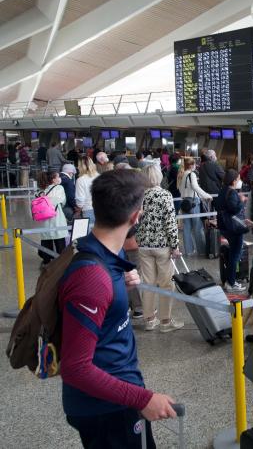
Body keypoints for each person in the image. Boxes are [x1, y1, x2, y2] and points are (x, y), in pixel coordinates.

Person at [59, 169, 178, 448]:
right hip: (106, 407)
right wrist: (143, 399)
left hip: (116, 393)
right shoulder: (92, 276)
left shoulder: (103, 255)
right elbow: (75, 368)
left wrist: (119, 289)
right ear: (135, 217)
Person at [136, 164, 184, 333]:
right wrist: (175, 246)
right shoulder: (165, 195)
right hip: (162, 246)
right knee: (166, 284)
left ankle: (149, 320)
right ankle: (165, 321)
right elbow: (170, 223)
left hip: (143, 245)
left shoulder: (139, 196)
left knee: (147, 283)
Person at [216, 169, 248, 292]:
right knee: (235, 255)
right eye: (238, 179)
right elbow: (234, 209)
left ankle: (229, 280)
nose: (239, 181)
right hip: (233, 228)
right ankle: (231, 282)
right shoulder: (232, 193)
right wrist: (242, 201)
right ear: (234, 180)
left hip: (224, 226)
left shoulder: (222, 190)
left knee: (232, 254)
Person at [177, 157, 211, 256]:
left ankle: (189, 251)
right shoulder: (192, 174)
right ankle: (201, 250)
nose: (195, 166)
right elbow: (196, 187)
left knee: (186, 227)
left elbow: (180, 190)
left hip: (184, 202)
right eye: (195, 164)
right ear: (191, 165)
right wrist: (207, 196)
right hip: (193, 202)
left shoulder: (182, 175)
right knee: (197, 227)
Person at [35, 171, 68, 266]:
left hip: (44, 218)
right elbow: (62, 201)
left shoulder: (41, 190)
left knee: (46, 239)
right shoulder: (59, 188)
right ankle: (60, 261)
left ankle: (46, 260)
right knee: (59, 240)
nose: (59, 178)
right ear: (53, 180)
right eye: (58, 177)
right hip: (56, 217)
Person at [75, 154, 99, 223]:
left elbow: (80, 200)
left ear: (80, 166)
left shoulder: (80, 180)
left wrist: (78, 210)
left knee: (88, 232)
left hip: (88, 209)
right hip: (101, 209)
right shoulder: (99, 176)